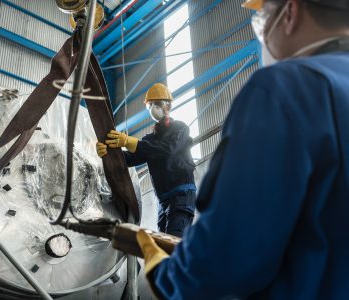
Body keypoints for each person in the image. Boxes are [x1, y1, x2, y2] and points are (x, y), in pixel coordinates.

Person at [135, 0, 349, 299]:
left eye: (263, 15)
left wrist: (166, 277)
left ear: (290, 11)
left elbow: (228, 253)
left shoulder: (285, 89)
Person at [97, 83, 196, 237]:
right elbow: (131, 158)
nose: (152, 108)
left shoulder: (180, 129)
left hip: (182, 195)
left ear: (168, 106)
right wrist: (108, 154)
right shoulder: (150, 140)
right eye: (150, 105)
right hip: (163, 202)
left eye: (157, 104)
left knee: (174, 241)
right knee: (163, 247)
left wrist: (129, 142)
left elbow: (167, 148)